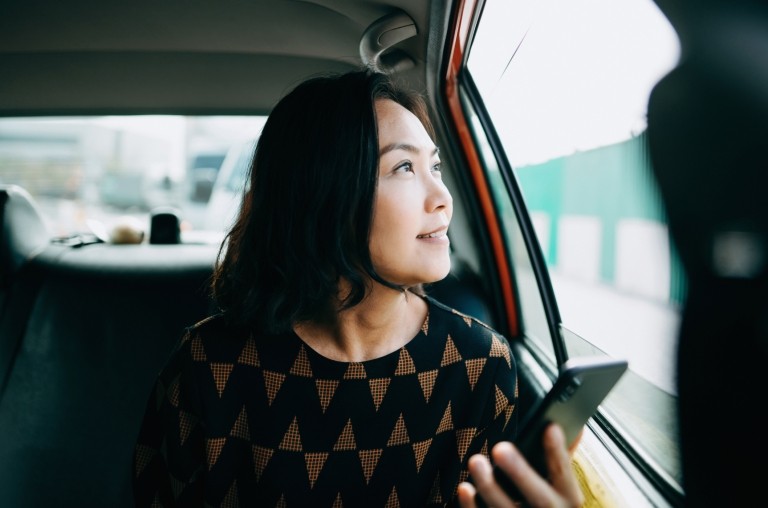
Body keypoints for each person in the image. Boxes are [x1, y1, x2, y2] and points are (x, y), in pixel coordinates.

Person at [132, 69, 584, 507]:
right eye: (404, 167)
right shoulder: (208, 363)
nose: (442, 196)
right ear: (323, 194)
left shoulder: (481, 364)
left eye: (436, 166)